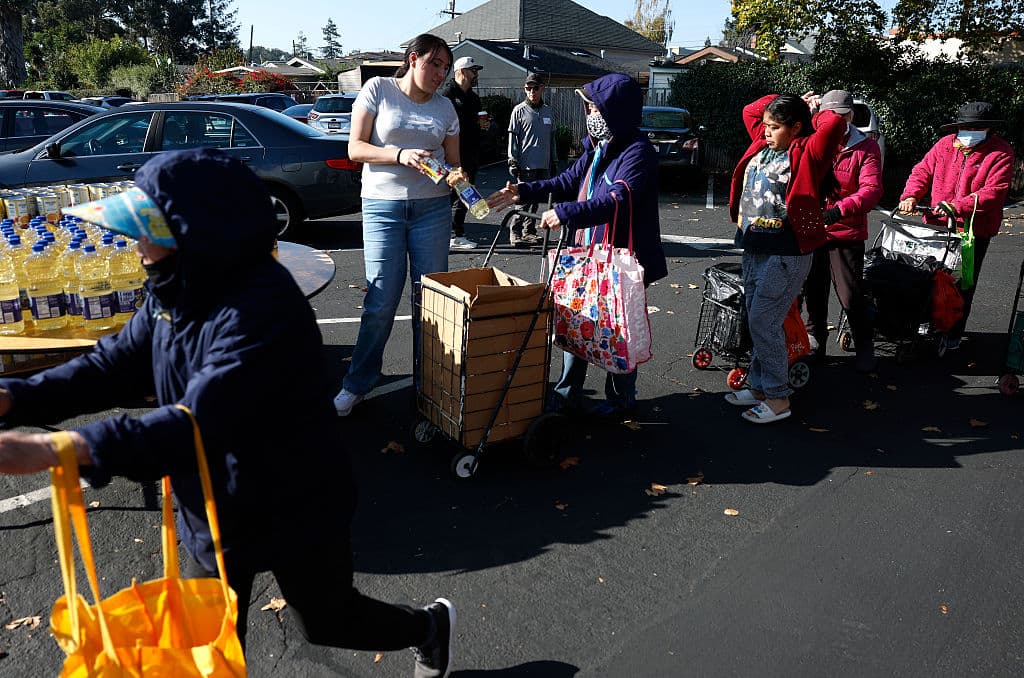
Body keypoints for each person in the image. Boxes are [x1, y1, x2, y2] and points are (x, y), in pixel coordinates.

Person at [0, 148, 456, 678]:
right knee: (202, 649)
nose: (136, 243)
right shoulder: (176, 287)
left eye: (148, 229)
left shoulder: (261, 309)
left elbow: (197, 423)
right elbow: (115, 364)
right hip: (214, 509)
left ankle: (426, 627)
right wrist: (16, 396)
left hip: (296, 503)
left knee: (329, 621)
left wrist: (65, 448)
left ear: (199, 233)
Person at [488, 73, 667, 417]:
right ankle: (567, 394)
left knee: (618, 329)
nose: (588, 116)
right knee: (575, 320)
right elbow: (567, 181)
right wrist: (522, 191)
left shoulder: (638, 153)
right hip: (588, 252)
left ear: (612, 111)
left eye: (592, 109)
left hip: (622, 259)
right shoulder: (598, 148)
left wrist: (564, 213)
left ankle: (620, 401)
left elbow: (617, 200)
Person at [334, 33, 463, 418]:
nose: (441, 73)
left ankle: (430, 385)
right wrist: (400, 154)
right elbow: (355, 148)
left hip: (433, 210)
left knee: (432, 305)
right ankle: (357, 383)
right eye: (434, 64)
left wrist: (463, 183)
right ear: (413, 59)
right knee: (380, 301)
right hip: (382, 208)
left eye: (445, 67)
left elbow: (454, 168)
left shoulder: (446, 109)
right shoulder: (378, 89)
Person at [725, 92, 846, 424]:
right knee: (759, 320)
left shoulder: (806, 150)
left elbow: (834, 124)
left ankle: (778, 398)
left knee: (764, 321)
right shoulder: (763, 144)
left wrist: (814, 109)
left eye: (775, 127)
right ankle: (761, 386)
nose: (766, 131)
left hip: (788, 251)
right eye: (765, 126)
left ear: (795, 128)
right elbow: (749, 107)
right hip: (754, 247)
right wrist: (781, 98)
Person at [897, 101, 1015, 352]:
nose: (969, 132)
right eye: (966, 127)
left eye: (975, 127)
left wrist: (957, 206)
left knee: (962, 282)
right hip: (938, 226)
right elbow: (922, 171)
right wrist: (911, 196)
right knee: (928, 276)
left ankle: (953, 331)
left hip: (973, 230)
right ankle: (927, 321)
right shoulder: (944, 145)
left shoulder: (1001, 152)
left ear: (988, 130)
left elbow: (994, 192)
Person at [802, 89, 884, 373]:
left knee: (850, 293)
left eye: (841, 115)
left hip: (846, 231)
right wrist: (800, 112)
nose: (837, 121)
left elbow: (872, 190)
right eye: (830, 115)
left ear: (850, 116)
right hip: (812, 229)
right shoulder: (810, 138)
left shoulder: (865, 147)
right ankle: (815, 342)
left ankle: (864, 344)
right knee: (814, 290)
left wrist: (839, 210)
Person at [507, 72, 558, 247]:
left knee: (536, 201)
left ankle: (529, 232)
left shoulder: (548, 111)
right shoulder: (519, 110)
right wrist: (512, 161)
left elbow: (552, 139)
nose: (532, 92)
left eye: (535, 88)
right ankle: (515, 233)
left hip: (543, 164)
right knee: (522, 201)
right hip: (526, 164)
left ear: (542, 89)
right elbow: (513, 138)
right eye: (528, 88)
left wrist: (554, 160)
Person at [440, 55, 484, 250]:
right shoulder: (447, 95)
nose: (476, 75)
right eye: (473, 70)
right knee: (448, 195)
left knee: (466, 194)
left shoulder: (474, 98)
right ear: (462, 72)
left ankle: (457, 234)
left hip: (470, 154)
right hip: (450, 155)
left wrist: (485, 126)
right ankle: (445, 234)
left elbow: (475, 124)